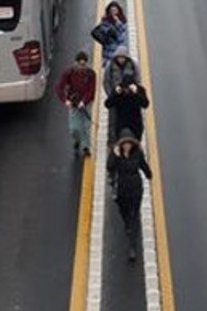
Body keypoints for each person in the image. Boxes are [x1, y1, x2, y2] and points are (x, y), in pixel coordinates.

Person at [107, 129, 152, 262]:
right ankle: (128, 224)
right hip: (122, 189)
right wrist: (115, 156)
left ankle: (132, 247)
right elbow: (110, 167)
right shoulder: (117, 154)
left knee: (134, 216)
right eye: (125, 144)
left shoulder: (137, 153)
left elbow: (143, 165)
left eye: (129, 143)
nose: (127, 146)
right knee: (124, 211)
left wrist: (149, 174)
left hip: (135, 188)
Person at [54, 51, 97, 156]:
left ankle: (86, 146)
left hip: (85, 103)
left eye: (84, 64)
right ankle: (77, 140)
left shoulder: (91, 74)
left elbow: (91, 90)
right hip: (73, 104)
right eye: (80, 64)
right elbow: (59, 87)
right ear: (76, 63)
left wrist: (84, 101)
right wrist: (65, 100)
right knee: (74, 128)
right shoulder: (68, 73)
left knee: (86, 126)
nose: (82, 66)